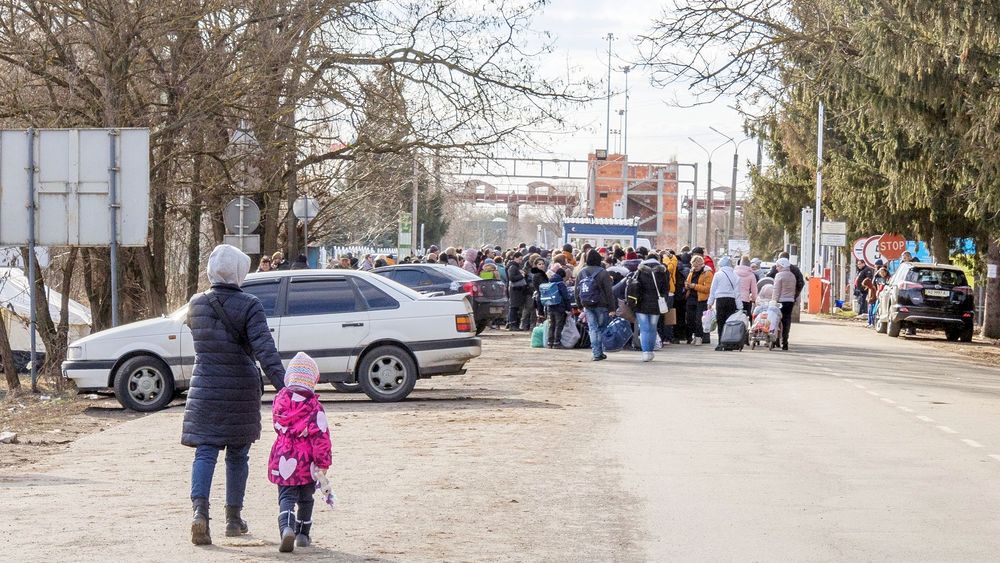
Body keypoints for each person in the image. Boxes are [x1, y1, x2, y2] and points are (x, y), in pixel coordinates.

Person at [183, 244, 286, 546]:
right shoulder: (250, 304)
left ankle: (199, 513)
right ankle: (233, 518)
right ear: (240, 272)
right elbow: (264, 349)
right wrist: (286, 388)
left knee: (205, 451)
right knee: (238, 455)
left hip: (204, 388)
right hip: (239, 389)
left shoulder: (196, 304)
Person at [268, 352, 332, 553]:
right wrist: (323, 464)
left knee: (286, 496)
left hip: (283, 455)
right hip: (306, 461)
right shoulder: (314, 406)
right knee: (306, 497)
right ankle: (303, 534)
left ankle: (287, 527)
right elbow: (321, 437)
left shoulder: (280, 400)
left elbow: (277, 426)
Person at [576, 249, 615, 361]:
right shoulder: (603, 272)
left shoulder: (581, 272)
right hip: (602, 305)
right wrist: (612, 308)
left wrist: (579, 305)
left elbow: (577, 290)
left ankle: (596, 353)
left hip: (587, 305)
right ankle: (600, 351)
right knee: (602, 328)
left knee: (593, 329)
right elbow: (609, 292)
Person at [631, 252, 670, 361]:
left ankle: (645, 352)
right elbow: (666, 289)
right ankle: (650, 351)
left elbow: (634, 286)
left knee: (644, 329)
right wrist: (663, 300)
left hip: (641, 303)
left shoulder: (640, 270)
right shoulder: (663, 271)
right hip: (656, 304)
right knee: (652, 328)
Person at [708, 256, 743, 349]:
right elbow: (737, 293)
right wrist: (740, 306)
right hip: (732, 300)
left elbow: (713, 289)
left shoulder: (718, 274)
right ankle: (729, 343)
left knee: (721, 322)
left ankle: (720, 343)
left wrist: (710, 302)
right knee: (730, 322)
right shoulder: (735, 276)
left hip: (720, 300)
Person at [684, 255, 713, 345]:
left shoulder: (707, 273)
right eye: (693, 266)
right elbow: (687, 281)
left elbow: (708, 289)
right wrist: (687, 285)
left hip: (701, 299)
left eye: (697, 266)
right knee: (690, 319)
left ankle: (699, 337)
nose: (695, 268)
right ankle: (693, 335)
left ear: (701, 264)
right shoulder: (691, 271)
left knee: (699, 319)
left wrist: (694, 286)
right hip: (691, 297)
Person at [772, 257, 798, 351]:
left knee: (776, 320)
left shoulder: (779, 275)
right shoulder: (792, 276)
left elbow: (776, 290)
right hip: (790, 301)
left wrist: (773, 301)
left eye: (778, 266)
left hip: (780, 302)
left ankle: (775, 340)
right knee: (786, 321)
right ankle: (785, 342)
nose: (776, 268)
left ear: (782, 266)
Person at [543, 268, 572, 348]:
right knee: (558, 325)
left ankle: (549, 342)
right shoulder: (560, 284)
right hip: (559, 307)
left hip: (550, 306)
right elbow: (565, 297)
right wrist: (568, 308)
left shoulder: (550, 282)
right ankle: (557, 343)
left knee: (552, 325)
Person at [506, 252, 528, 330]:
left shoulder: (515, 266)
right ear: (515, 258)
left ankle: (512, 323)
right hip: (514, 290)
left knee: (514, 307)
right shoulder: (513, 267)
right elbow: (512, 278)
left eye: (522, 259)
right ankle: (513, 325)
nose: (521, 261)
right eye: (520, 259)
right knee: (513, 307)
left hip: (516, 290)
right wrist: (521, 275)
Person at [528, 257, 549, 322]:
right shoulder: (538, 275)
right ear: (536, 265)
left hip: (542, 296)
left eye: (542, 264)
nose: (542, 265)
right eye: (539, 264)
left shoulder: (541, 273)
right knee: (541, 316)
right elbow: (543, 285)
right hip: (541, 297)